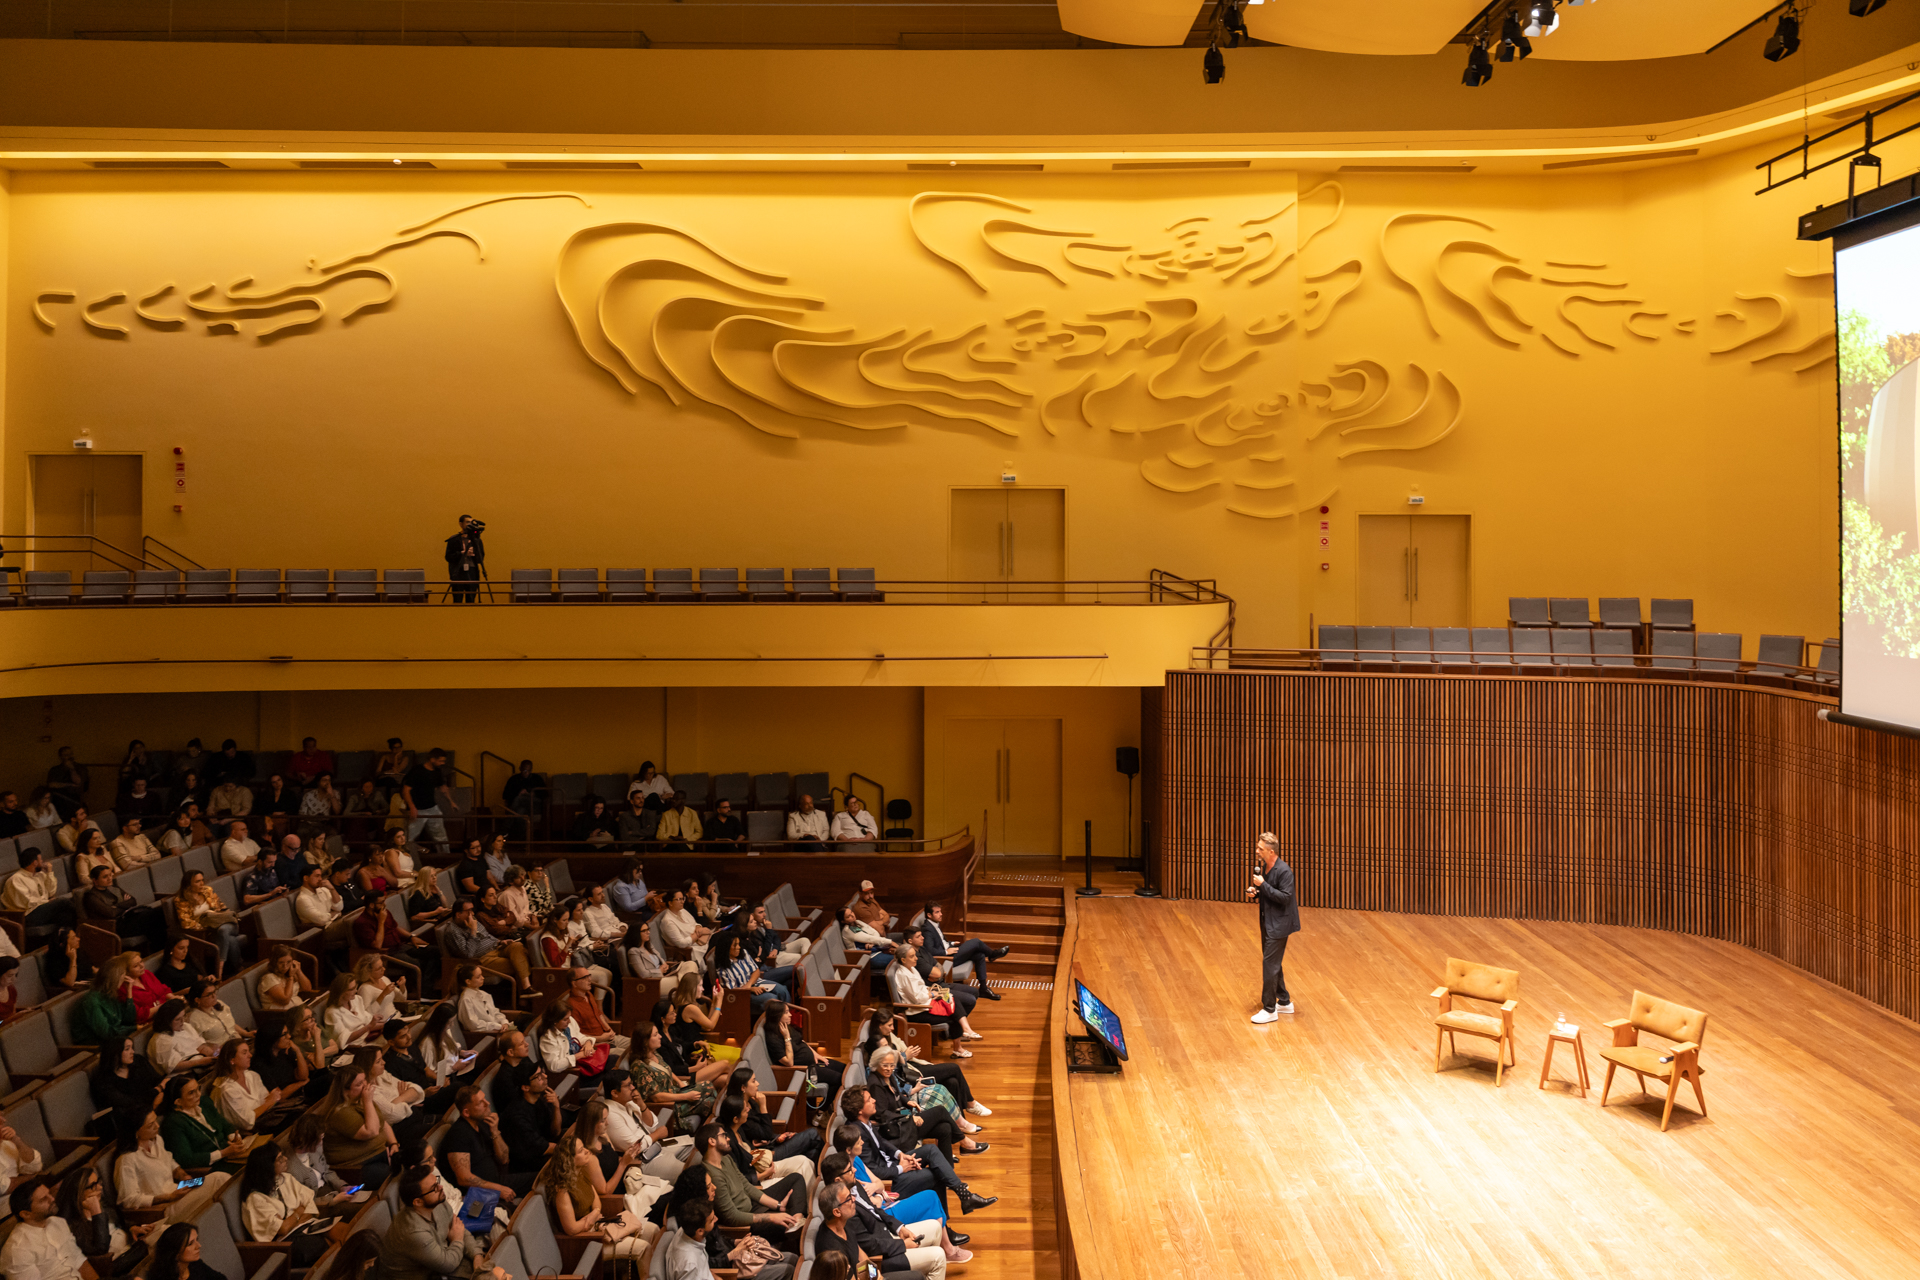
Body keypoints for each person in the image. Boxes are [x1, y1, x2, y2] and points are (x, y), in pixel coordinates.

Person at [839, 1087, 993, 1217]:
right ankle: (947, 1225)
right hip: (891, 1181)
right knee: (935, 1175)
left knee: (931, 1148)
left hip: (894, 1163)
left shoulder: (864, 1122)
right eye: (869, 1100)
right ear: (860, 1111)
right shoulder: (856, 1134)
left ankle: (964, 1195)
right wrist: (901, 1168)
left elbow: (882, 1143)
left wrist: (901, 1155)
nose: (874, 1100)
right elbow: (875, 1171)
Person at [376, 1163, 499, 1280]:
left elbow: (459, 1228)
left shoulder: (437, 1201)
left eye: (437, 1182)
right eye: (434, 1188)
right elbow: (448, 1264)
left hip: (442, 1260)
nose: (440, 1188)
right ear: (417, 1202)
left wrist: (477, 1255)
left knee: (491, 1269)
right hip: (419, 1276)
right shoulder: (414, 1232)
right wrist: (456, 1240)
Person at [866, 1049, 985, 1165]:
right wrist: (910, 1118)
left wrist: (907, 1102)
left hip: (903, 1120)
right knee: (940, 1111)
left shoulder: (888, 1076)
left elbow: (896, 1094)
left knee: (945, 1128)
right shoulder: (875, 1084)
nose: (889, 1068)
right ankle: (964, 1142)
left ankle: (947, 1175)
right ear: (876, 1063)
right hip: (897, 1129)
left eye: (892, 1065)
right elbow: (881, 1114)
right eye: (885, 1065)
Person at [695, 1123, 804, 1244]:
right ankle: (795, 1228)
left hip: (752, 1204)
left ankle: (797, 1220)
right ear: (712, 1141)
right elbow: (732, 1217)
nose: (728, 1138)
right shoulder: (712, 1175)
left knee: (796, 1178)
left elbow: (746, 1185)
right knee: (785, 1225)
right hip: (747, 1221)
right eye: (724, 1135)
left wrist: (777, 1205)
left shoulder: (725, 1158)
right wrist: (771, 1217)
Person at [863, 1006, 983, 1113]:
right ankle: (970, 1103)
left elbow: (899, 1047)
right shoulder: (878, 1044)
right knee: (955, 1068)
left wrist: (905, 1055)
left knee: (953, 1082)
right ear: (879, 1026)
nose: (893, 1028)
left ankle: (961, 1124)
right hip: (910, 1073)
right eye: (889, 1025)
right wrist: (905, 1056)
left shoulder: (887, 1036)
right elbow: (894, 1069)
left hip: (913, 1065)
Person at [240, 1143, 340, 1265]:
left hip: (305, 1226)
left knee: (343, 1231)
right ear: (267, 1166)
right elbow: (282, 1229)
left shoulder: (285, 1178)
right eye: (280, 1158)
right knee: (330, 1247)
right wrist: (299, 1211)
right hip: (285, 1243)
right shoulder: (255, 1199)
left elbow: (309, 1204)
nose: (286, 1159)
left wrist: (291, 1219)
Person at [58, 1161, 163, 1277]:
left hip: (133, 1248)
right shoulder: (74, 1226)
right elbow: (101, 1249)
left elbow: (120, 1221)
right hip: (121, 1265)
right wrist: (96, 1213)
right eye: (93, 1186)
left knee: (167, 1231)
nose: (100, 1187)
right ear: (79, 1193)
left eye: (98, 1182)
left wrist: (131, 1228)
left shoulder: (103, 1204)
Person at [441, 1084, 535, 1200]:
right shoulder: (458, 1135)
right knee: (542, 1180)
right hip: (483, 1193)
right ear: (466, 1112)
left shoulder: (483, 1123)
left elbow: (504, 1159)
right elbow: (464, 1178)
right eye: (481, 1102)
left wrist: (495, 1132)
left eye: (485, 1098)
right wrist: (498, 1189)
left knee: (544, 1176)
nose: (487, 1103)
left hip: (498, 1179)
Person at [1247, 830, 1302, 1023]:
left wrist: (1264, 886)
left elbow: (1285, 898)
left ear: (1271, 852)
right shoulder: (1267, 868)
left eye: (1260, 849)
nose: (1257, 851)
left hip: (1279, 925)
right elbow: (1271, 895)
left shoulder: (1284, 871)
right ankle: (1284, 1002)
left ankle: (1270, 1008)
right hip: (1268, 921)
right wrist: (1257, 893)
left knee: (1269, 965)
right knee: (1273, 963)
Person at [634, 1020, 718, 1136]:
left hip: (675, 1092)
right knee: (710, 1101)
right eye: (655, 1035)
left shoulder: (655, 1054)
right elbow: (656, 1097)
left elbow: (667, 1069)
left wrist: (679, 1082)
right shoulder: (639, 1067)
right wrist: (686, 1096)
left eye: (658, 1033)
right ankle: (710, 1134)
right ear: (645, 1041)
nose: (660, 1037)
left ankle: (712, 1131)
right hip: (669, 1105)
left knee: (708, 1085)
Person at [158, 1075, 251, 1176]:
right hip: (212, 1167)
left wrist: (234, 1138)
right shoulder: (173, 1123)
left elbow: (226, 1125)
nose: (198, 1094)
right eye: (191, 1093)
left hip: (231, 1155)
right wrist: (223, 1153)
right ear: (178, 1101)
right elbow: (186, 1159)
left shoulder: (205, 1103)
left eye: (198, 1089)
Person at [322, 1065, 398, 1187]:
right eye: (359, 1084)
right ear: (345, 1091)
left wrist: (393, 1143)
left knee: (411, 1160)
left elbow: (382, 1123)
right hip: (356, 1167)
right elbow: (371, 1131)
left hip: (378, 1154)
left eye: (364, 1081)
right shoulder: (340, 1112)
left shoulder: (360, 1101)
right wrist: (368, 1101)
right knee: (396, 1175)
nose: (365, 1087)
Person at [889, 945, 984, 1043]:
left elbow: (920, 988)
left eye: (915, 955)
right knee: (954, 1013)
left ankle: (965, 1032)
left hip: (925, 1002)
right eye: (912, 956)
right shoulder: (904, 975)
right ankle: (960, 1045)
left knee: (951, 997)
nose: (916, 958)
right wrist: (933, 995)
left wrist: (934, 992)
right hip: (918, 1011)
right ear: (903, 960)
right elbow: (917, 998)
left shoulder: (911, 968)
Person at [2, 1178, 90, 1280]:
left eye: (49, 1194)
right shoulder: (17, 1250)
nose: (52, 1199)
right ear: (26, 1214)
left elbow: (79, 1261)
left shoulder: (57, 1222)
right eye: (43, 1199)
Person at [920, 900, 1009, 999]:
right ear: (929, 915)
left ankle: (983, 989)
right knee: (976, 942)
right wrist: (946, 952)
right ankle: (993, 954)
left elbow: (941, 942)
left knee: (979, 954)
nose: (941, 914)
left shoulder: (934, 923)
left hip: (950, 951)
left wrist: (951, 943)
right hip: (945, 959)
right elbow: (930, 951)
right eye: (937, 912)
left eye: (940, 911)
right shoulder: (927, 929)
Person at [443, 896, 532, 993]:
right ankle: (525, 994)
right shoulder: (453, 931)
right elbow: (468, 954)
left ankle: (526, 989)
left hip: (496, 949)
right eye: (468, 911)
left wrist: (500, 942)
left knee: (517, 946)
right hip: (481, 960)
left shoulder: (471, 920)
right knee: (520, 962)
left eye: (472, 910)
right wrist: (473, 931)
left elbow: (487, 935)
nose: (471, 914)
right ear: (458, 914)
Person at [764, 998, 843, 1098]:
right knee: (840, 1079)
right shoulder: (773, 1039)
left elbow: (801, 1041)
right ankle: (822, 1110)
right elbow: (789, 1062)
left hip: (813, 1062)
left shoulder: (785, 1027)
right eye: (787, 1012)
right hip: (804, 1071)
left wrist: (815, 1054)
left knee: (844, 1069)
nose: (790, 1015)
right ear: (777, 1016)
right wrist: (786, 1037)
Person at [215, 1038, 292, 1134]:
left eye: (249, 1052)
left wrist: (268, 1103)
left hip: (268, 1119)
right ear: (232, 1060)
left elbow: (268, 1099)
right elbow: (247, 1123)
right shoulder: (227, 1089)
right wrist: (269, 1102)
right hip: (251, 1132)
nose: (250, 1055)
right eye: (244, 1053)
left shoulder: (252, 1075)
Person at [4, 845, 76, 942]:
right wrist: (47, 902)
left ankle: (64, 942)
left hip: (41, 911)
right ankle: (85, 924)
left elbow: (51, 892)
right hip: (27, 916)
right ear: (35, 863)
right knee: (64, 902)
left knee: (66, 916)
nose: (43, 862)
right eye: (41, 860)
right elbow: (28, 902)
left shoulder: (40, 875)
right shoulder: (16, 879)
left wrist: (49, 873)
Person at [497, 1064, 561, 1173]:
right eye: (538, 1076)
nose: (545, 1076)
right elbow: (543, 1148)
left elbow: (555, 1133)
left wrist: (556, 1107)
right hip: (526, 1164)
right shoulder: (517, 1116)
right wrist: (571, 1151)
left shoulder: (540, 1099)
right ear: (525, 1087)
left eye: (542, 1072)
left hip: (541, 1147)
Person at [535, 995, 609, 1078]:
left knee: (613, 1059)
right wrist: (579, 1056)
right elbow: (554, 1066)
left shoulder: (568, 1023)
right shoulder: (547, 1038)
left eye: (569, 1017)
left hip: (584, 1061)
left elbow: (579, 1036)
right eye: (565, 1019)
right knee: (611, 1066)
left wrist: (588, 1043)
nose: (569, 1021)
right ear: (554, 1021)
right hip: (575, 1072)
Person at [91, 1033, 164, 1114]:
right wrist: (156, 1092)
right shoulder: (102, 1080)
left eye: (132, 1048)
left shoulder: (138, 1061)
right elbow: (128, 1103)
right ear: (115, 1054)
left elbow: (157, 1079)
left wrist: (160, 1091)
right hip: (130, 1115)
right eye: (127, 1049)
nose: (132, 1052)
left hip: (152, 1102)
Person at [401, 748, 454, 856]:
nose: (442, 763)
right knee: (408, 837)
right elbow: (406, 790)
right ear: (432, 759)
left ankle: (446, 858)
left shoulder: (437, 771)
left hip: (432, 808)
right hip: (418, 809)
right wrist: (412, 807)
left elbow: (443, 787)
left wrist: (451, 802)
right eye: (440, 761)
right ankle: (403, 858)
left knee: (441, 837)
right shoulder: (417, 771)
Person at [72, 955, 135, 1044]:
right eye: (123, 974)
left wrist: (129, 992)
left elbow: (129, 1019)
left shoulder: (111, 994)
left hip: (113, 1040)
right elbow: (107, 1033)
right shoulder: (92, 1001)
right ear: (115, 977)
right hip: (96, 1046)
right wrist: (134, 1028)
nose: (125, 977)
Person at [149, 998, 219, 1074]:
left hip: (202, 1064)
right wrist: (200, 1062)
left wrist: (213, 1054)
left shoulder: (185, 1026)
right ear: (167, 1021)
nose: (183, 1021)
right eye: (178, 1019)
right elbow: (172, 1067)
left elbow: (200, 1045)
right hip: (184, 1074)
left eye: (184, 1016)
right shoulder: (161, 1040)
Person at [654, 887, 711, 966]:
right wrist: (697, 935)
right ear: (670, 903)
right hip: (692, 948)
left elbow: (694, 923)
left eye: (683, 898)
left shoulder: (682, 911)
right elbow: (681, 943)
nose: (682, 902)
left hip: (701, 939)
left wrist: (698, 928)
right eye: (679, 899)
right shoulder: (668, 921)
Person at [0, 1104, 45, 1190]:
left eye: (2, 1115)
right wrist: (30, 1177)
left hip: (24, 1190)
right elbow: (5, 1187)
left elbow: (35, 1167)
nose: (3, 1120)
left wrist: (17, 1141)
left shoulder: (7, 1143)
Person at [445, 514, 485, 603]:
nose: (469, 524)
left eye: (471, 522)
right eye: (467, 522)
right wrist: (462, 553)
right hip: (458, 571)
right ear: (461, 524)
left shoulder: (477, 540)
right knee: (457, 598)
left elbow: (481, 558)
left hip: (472, 571)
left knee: (471, 598)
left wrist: (475, 553)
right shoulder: (454, 539)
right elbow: (448, 557)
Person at [502, 760, 545, 840]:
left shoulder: (537, 779)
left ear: (531, 770)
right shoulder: (513, 779)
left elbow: (545, 794)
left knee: (518, 799)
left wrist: (532, 793)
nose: (526, 773)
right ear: (520, 769)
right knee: (519, 811)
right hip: (519, 806)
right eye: (524, 770)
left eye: (529, 770)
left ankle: (505, 828)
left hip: (533, 804)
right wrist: (518, 793)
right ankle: (523, 840)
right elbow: (505, 795)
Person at [299, 772, 343, 841]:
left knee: (331, 832)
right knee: (303, 831)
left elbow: (337, 811)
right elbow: (302, 814)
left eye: (329, 780)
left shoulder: (335, 793)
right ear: (318, 782)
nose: (327, 783)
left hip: (325, 823)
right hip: (310, 823)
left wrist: (331, 795)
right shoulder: (309, 795)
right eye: (324, 780)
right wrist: (314, 818)